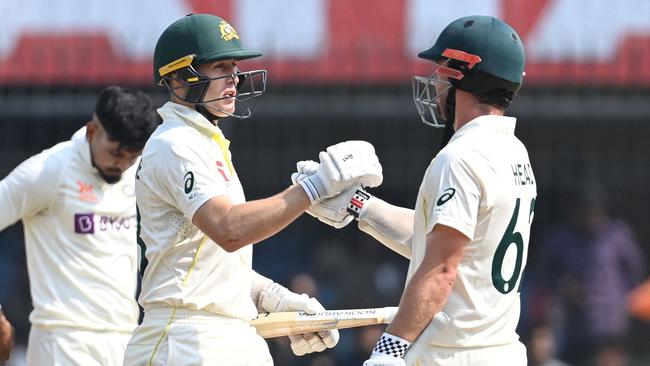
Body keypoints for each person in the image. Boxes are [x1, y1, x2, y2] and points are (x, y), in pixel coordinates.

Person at [124, 13, 382, 365]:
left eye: (235, 67)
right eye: (220, 67)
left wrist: (270, 296)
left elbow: (205, 264)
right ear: (179, 77)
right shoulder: (175, 143)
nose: (235, 79)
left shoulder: (204, 142)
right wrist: (314, 187)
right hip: (184, 340)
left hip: (228, 334)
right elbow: (229, 229)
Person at [294, 15, 536, 365]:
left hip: (455, 356)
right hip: (500, 351)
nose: (435, 81)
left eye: (441, 69)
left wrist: (389, 350)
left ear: (461, 74)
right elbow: (437, 241)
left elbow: (441, 269)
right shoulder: (513, 151)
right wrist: (358, 204)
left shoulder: (459, 158)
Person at [0, 86, 160, 365]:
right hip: (62, 343)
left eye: (130, 156)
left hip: (124, 341)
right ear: (91, 131)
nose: (120, 164)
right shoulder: (49, 170)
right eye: (114, 152)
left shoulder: (141, 173)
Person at [532, 185, 645, 366]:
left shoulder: (617, 234)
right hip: (574, 324)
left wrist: (621, 299)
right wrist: (563, 287)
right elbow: (544, 276)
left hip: (611, 323)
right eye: (586, 211)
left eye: (596, 211)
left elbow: (635, 273)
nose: (592, 217)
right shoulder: (560, 238)